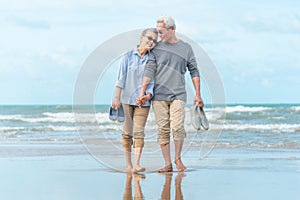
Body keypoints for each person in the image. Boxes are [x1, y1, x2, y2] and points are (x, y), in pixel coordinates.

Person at [137, 16, 204, 172]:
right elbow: (149, 70)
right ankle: (167, 164)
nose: (159, 35)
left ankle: (177, 160)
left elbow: (194, 71)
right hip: (158, 96)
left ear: (171, 29)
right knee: (163, 129)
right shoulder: (156, 49)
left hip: (178, 94)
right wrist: (143, 91)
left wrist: (198, 95)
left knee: (177, 127)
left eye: (161, 32)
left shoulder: (186, 48)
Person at [112, 28, 158, 173]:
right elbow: (121, 78)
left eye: (155, 41)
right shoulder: (127, 55)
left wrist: (147, 95)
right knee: (127, 133)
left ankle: (137, 164)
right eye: (149, 38)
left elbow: (152, 81)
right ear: (141, 37)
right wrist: (117, 97)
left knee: (139, 133)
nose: (151, 42)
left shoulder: (153, 59)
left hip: (143, 103)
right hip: (126, 99)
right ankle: (128, 165)